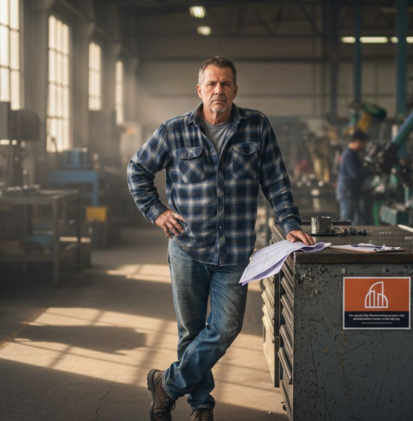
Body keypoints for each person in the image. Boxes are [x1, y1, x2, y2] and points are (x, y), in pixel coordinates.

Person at [127, 56, 313, 421]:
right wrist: (157, 211)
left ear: (235, 90)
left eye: (225, 83)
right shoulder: (173, 130)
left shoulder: (256, 126)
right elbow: (138, 169)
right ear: (199, 90)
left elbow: (276, 181)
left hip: (236, 251)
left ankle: (166, 384)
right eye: (211, 84)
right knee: (191, 331)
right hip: (187, 248)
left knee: (225, 327)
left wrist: (289, 221)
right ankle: (201, 407)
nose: (218, 90)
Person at [336, 130, 372, 225]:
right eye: (364, 143)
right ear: (357, 141)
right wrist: (371, 170)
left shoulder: (350, 153)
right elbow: (356, 174)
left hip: (349, 191)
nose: (364, 146)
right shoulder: (349, 155)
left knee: (353, 220)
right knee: (346, 222)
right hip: (347, 191)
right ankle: (344, 240)